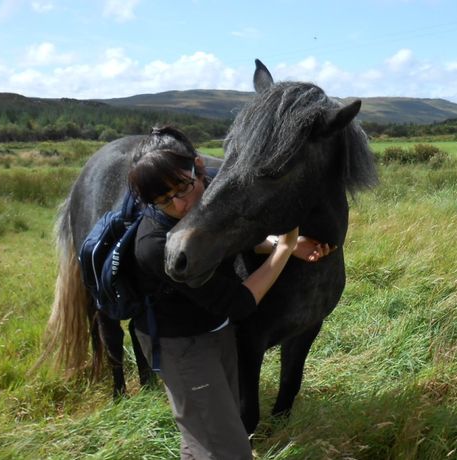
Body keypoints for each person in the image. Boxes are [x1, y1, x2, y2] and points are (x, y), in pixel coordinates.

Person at [127, 126, 332, 460]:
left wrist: (280, 247)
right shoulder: (154, 246)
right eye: (163, 200)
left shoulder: (214, 193)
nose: (180, 205)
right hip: (182, 347)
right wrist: (285, 248)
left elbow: (233, 238)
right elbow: (238, 303)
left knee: (203, 435)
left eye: (183, 187)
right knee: (230, 448)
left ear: (199, 167)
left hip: (215, 333)